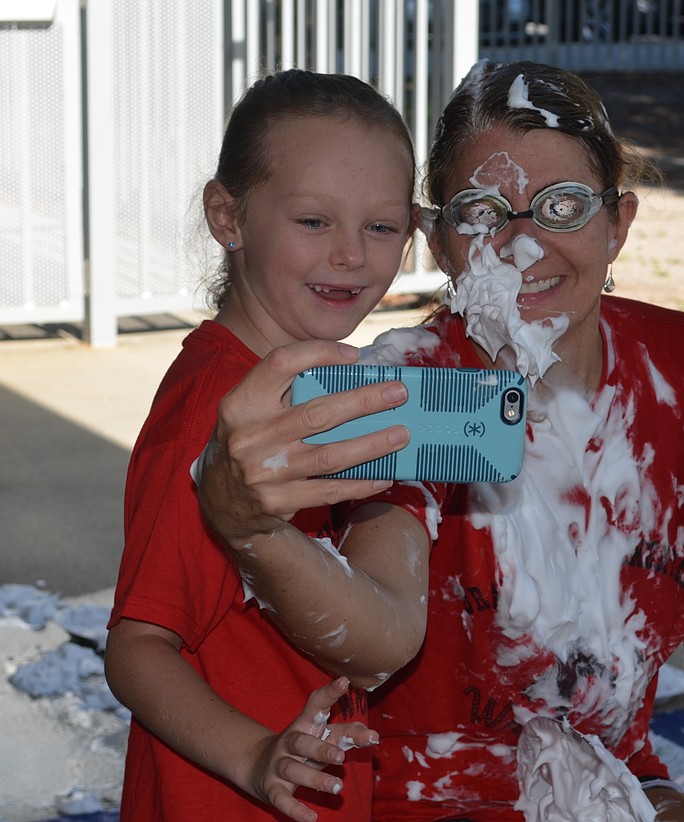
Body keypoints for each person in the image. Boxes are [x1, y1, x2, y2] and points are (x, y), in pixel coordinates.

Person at [196, 60, 684, 821]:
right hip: (430, 801)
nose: (523, 245)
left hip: (615, 784)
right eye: (481, 212)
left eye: (564, 206)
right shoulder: (408, 388)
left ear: (620, 224)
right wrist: (253, 529)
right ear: (440, 242)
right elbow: (379, 635)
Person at [104, 68, 439, 821]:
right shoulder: (216, 410)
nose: (351, 256)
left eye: (382, 227)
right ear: (229, 217)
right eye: (314, 222)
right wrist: (256, 758)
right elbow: (137, 647)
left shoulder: (318, 388)